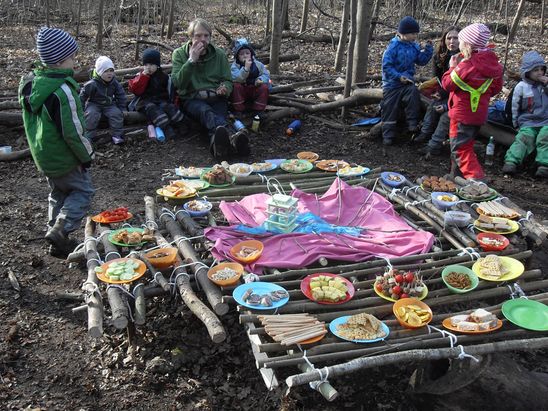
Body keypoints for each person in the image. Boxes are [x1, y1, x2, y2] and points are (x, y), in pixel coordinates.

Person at [19, 27, 94, 257]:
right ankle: (61, 230)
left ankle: (55, 237)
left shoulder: (32, 85)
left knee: (58, 193)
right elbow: (73, 131)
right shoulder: (62, 92)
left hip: (43, 155)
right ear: (60, 61)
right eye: (72, 57)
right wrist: (87, 155)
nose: (75, 62)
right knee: (83, 192)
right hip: (65, 158)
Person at [171, 18, 249, 158]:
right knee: (205, 111)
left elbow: (227, 80)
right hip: (192, 99)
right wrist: (191, 61)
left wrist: (225, 88)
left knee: (218, 124)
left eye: (206, 36)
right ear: (191, 37)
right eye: (198, 36)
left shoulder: (219, 54)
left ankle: (219, 150)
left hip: (217, 98)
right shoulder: (179, 54)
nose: (203, 39)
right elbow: (178, 84)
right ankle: (234, 138)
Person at [442, 23, 503, 180]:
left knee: (460, 148)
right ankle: (455, 176)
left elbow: (447, 84)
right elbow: (496, 88)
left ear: (467, 44)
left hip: (462, 114)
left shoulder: (466, 65)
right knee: (464, 145)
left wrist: (452, 68)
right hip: (479, 114)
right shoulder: (493, 64)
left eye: (461, 41)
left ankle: (477, 181)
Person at [380, 16, 433, 146]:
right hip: (392, 84)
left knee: (413, 94)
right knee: (389, 107)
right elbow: (386, 67)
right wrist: (398, 76)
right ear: (402, 33)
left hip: (407, 82)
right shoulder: (393, 47)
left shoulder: (413, 46)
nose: (415, 36)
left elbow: (421, 60)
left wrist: (428, 50)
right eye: (412, 34)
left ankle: (412, 124)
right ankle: (388, 135)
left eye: (416, 33)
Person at [415, 26, 460, 157]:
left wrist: (445, 101)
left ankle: (433, 145)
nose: (452, 41)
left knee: (444, 114)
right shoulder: (438, 56)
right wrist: (437, 92)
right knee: (433, 105)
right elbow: (437, 80)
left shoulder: (465, 59)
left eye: (455, 38)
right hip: (445, 92)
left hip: (457, 97)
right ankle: (424, 133)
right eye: (449, 38)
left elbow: (458, 85)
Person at [502, 51, 548, 177]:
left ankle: (544, 165)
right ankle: (511, 162)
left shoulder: (544, 85)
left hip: (545, 121)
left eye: (541, 70)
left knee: (545, 137)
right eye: (535, 70)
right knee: (523, 139)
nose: (540, 73)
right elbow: (514, 107)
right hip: (528, 121)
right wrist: (515, 123)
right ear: (527, 72)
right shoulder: (521, 87)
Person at [128, 49, 184, 141]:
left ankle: (181, 124)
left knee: (168, 107)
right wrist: (143, 77)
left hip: (161, 100)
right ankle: (167, 129)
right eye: (146, 65)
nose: (148, 67)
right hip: (145, 102)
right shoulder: (140, 76)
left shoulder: (164, 77)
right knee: (153, 109)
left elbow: (171, 91)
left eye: (151, 65)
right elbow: (135, 90)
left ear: (157, 65)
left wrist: (174, 102)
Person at [80, 56, 127, 144]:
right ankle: (89, 136)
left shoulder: (114, 82)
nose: (109, 74)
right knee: (91, 115)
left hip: (109, 104)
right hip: (94, 103)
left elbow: (120, 94)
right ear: (99, 72)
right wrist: (81, 109)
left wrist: (122, 108)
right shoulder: (93, 84)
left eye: (111, 71)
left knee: (116, 114)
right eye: (105, 71)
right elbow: (83, 96)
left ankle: (117, 135)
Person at [230, 38, 270, 114]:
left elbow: (265, 74)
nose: (245, 56)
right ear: (237, 56)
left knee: (264, 87)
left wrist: (260, 80)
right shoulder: (234, 66)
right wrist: (246, 68)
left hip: (254, 89)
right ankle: (239, 110)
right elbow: (238, 78)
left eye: (247, 53)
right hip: (242, 90)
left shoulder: (258, 64)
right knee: (236, 86)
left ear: (251, 54)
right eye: (241, 54)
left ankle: (258, 110)